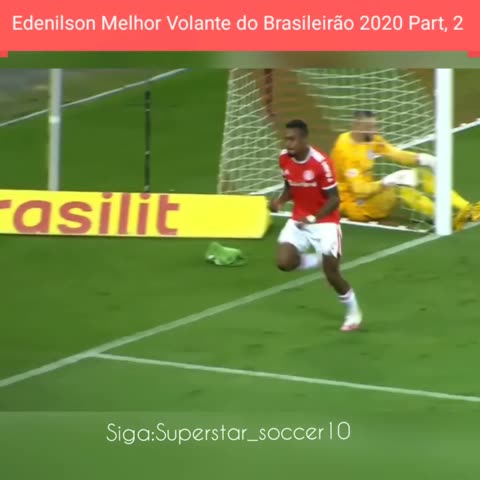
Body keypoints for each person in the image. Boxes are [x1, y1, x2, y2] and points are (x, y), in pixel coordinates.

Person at [269, 119, 362, 332]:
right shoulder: (284, 158)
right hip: (299, 220)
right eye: (286, 139)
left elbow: (334, 200)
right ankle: (318, 260)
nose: (288, 144)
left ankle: (353, 313)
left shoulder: (321, 163)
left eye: (292, 139)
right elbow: (291, 186)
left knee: (332, 275)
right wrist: (280, 201)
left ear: (304, 140)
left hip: (325, 222)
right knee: (284, 262)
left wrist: (313, 218)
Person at [331, 110, 480, 230]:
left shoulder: (370, 138)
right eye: (370, 128)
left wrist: (422, 158)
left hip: (371, 194)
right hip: (355, 204)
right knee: (400, 189)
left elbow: (395, 153)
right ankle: (443, 218)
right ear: (357, 126)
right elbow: (359, 191)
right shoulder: (346, 152)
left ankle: (467, 208)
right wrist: (387, 181)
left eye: (375, 126)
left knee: (421, 174)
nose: (375, 131)